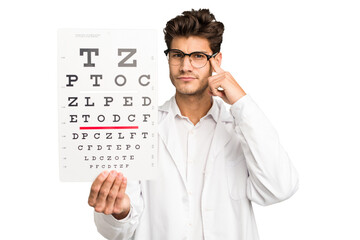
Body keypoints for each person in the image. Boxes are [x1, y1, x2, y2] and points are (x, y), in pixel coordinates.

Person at [88, 9, 299, 240]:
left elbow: (279, 187)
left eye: (198, 56)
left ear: (216, 61)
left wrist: (241, 101)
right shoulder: (138, 130)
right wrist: (120, 212)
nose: (185, 66)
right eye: (177, 54)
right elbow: (115, 231)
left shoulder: (240, 129)